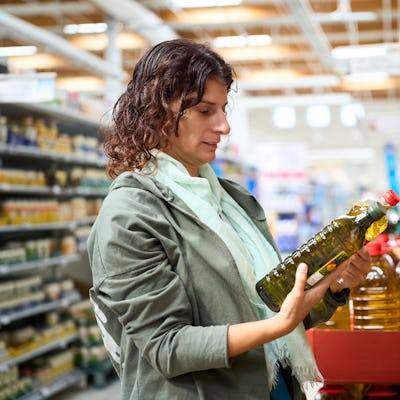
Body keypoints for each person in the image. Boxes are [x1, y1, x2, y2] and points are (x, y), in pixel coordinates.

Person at [87, 38, 371, 400]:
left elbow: (275, 310)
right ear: (157, 111)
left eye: (223, 109)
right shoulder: (129, 215)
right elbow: (167, 347)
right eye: (206, 111)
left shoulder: (232, 200)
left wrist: (332, 285)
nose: (224, 126)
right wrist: (276, 325)